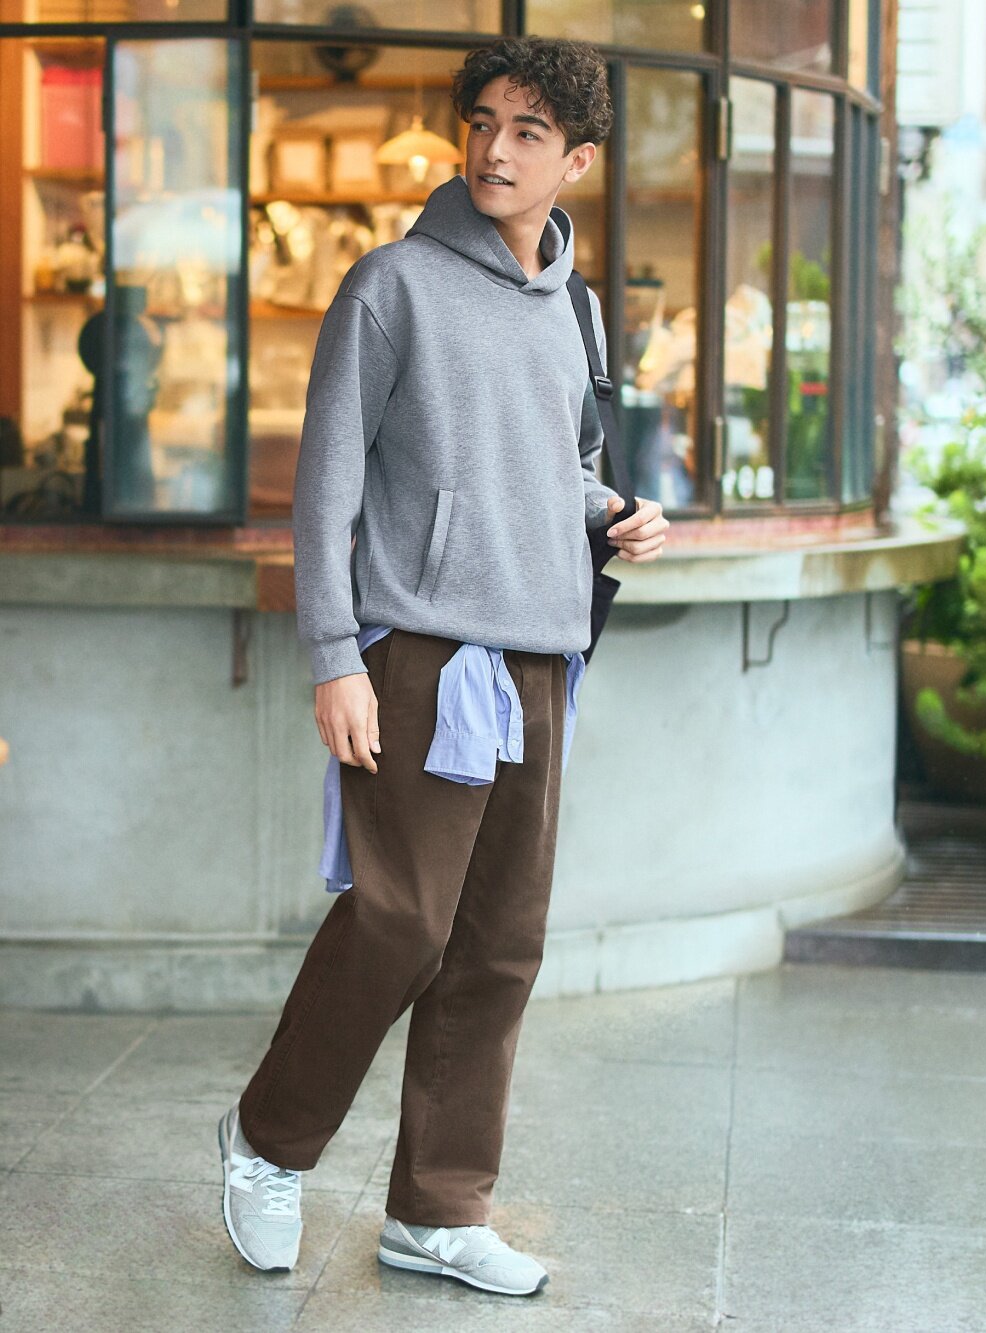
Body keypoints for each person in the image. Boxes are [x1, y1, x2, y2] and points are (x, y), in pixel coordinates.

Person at [219, 34, 670, 1297]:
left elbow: (556, 467)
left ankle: (437, 1206)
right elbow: (326, 489)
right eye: (482, 122)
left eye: (528, 132)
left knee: (497, 943)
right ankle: (266, 1142)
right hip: (417, 649)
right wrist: (334, 657)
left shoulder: (575, 308)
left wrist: (611, 513)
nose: (494, 149)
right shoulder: (392, 285)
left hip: (541, 655)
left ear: (577, 162)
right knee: (401, 920)